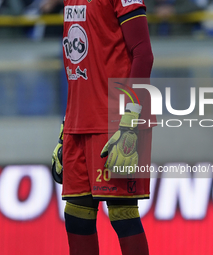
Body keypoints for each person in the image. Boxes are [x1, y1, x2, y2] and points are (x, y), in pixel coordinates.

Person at [52, 1, 155, 255]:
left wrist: (131, 119)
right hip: (78, 122)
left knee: (123, 214)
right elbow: (77, 66)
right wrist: (66, 127)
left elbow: (143, 54)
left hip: (116, 122)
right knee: (76, 216)